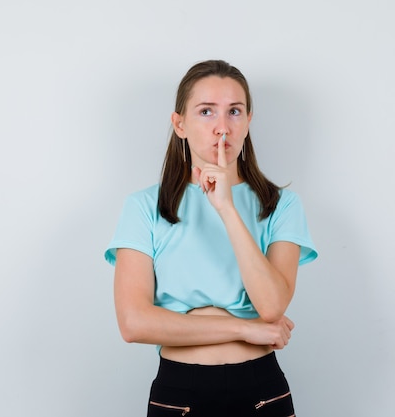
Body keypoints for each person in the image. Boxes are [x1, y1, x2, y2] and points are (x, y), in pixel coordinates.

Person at [104, 59, 318, 417]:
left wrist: (227, 210)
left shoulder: (281, 204)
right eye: (206, 112)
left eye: (234, 112)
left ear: (249, 121)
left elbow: (272, 307)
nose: (223, 128)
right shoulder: (144, 206)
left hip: (261, 392)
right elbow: (134, 323)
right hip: (179, 391)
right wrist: (244, 329)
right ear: (180, 124)